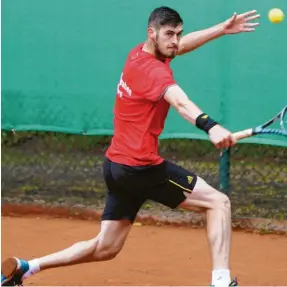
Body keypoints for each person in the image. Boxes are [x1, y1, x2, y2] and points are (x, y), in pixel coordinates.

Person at [1, 6, 259, 287]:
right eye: (169, 34)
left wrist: (221, 28)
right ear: (152, 33)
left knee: (106, 247)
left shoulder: (138, 54)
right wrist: (212, 126)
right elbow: (181, 103)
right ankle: (221, 282)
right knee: (218, 203)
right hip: (140, 167)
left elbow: (181, 47)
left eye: (178, 34)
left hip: (115, 166)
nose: (175, 40)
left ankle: (27, 267)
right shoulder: (154, 73)